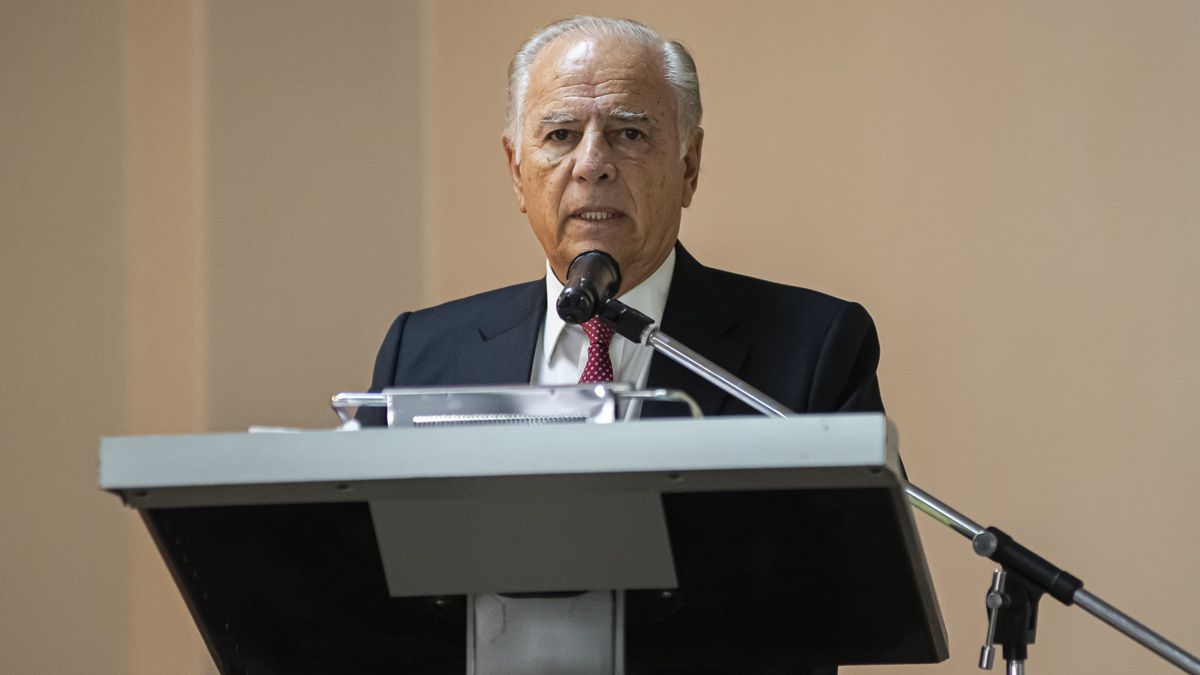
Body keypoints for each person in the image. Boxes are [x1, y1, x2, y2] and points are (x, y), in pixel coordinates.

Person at [358, 16, 883, 674]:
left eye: (629, 134)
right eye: (560, 135)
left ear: (689, 165)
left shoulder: (813, 346)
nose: (592, 165)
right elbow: (365, 596)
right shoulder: (423, 353)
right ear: (516, 169)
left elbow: (849, 593)